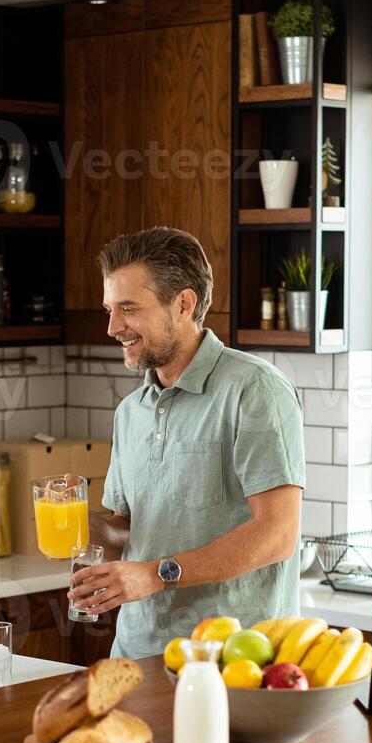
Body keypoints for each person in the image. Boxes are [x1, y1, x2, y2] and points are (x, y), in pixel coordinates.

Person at [67, 227, 307, 659]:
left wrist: (156, 575)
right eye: (109, 309)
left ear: (183, 303)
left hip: (234, 660)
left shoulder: (254, 390)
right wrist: (80, 519)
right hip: (137, 656)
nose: (112, 327)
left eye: (128, 309)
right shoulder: (131, 411)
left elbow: (278, 534)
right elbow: (130, 531)